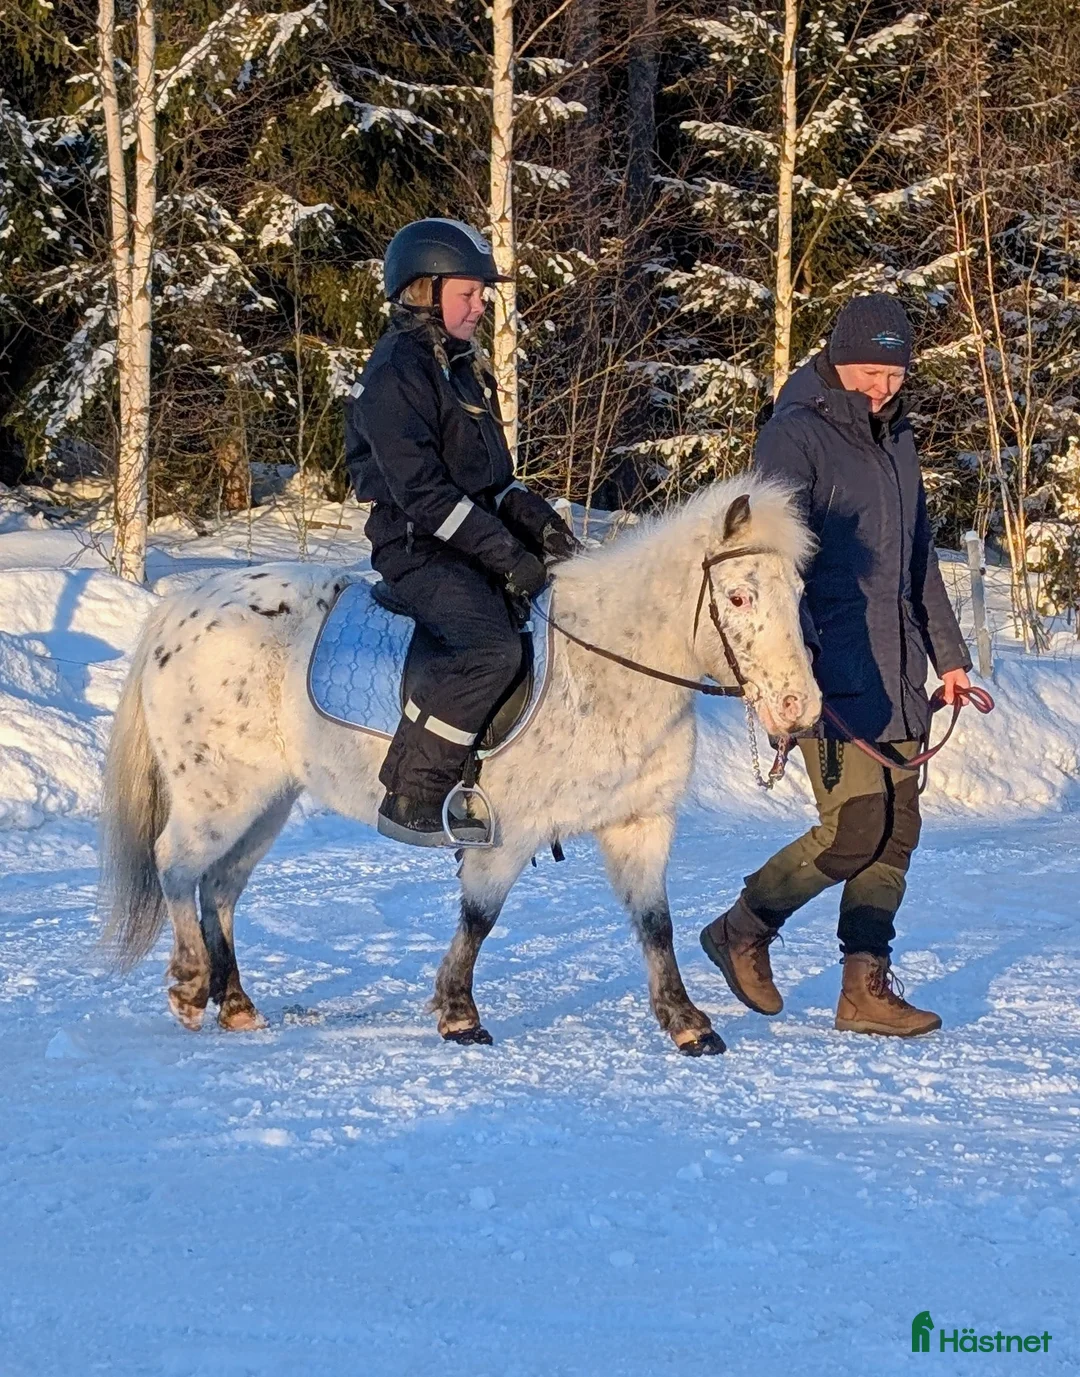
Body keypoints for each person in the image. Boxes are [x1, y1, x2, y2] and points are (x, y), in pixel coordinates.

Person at [700, 293, 972, 1037]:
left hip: (899, 667)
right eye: (870, 369)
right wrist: (793, 670)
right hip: (826, 671)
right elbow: (770, 566)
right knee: (854, 827)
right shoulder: (795, 437)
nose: (882, 386)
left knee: (896, 830)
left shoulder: (897, 440)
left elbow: (918, 558)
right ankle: (741, 927)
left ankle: (863, 988)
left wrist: (948, 657)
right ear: (837, 358)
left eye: (895, 372)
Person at [345, 218, 577, 846]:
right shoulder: (397, 373)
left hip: (465, 537)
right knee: (490, 649)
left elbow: (489, 479)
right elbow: (424, 495)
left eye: (482, 295)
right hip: (418, 547)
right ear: (424, 291)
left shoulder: (457, 365)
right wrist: (505, 554)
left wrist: (542, 529)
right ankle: (414, 791)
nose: (481, 307)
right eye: (468, 294)